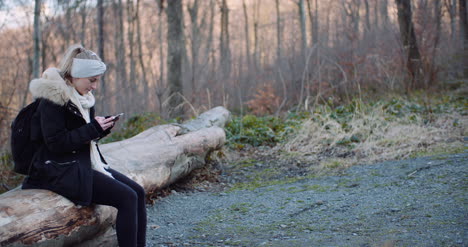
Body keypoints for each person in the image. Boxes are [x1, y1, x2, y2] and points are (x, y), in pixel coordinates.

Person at [22, 44, 147, 247]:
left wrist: (99, 129)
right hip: (56, 168)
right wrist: (92, 129)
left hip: (80, 163)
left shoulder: (83, 98)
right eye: (92, 80)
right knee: (127, 198)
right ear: (77, 76)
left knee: (138, 192)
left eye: (97, 81)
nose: (95, 86)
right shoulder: (53, 98)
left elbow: (81, 140)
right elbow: (56, 144)